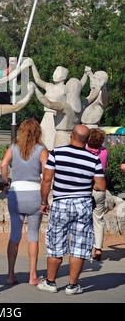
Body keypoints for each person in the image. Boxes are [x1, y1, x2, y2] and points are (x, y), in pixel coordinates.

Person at [38, 124, 106, 295]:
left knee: (55, 243)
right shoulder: (94, 160)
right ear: (88, 139)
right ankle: (72, 285)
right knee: (80, 245)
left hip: (61, 203)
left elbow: (46, 180)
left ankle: (51, 282)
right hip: (82, 204)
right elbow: (101, 186)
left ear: (70, 135)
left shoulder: (56, 154)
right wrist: (86, 183)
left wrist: (44, 201)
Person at [0, 119, 48, 286]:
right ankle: (33, 276)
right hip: (35, 194)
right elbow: (47, 172)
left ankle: (10, 274)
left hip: (16, 194)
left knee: (14, 235)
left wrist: (6, 183)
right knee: (33, 236)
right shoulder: (41, 150)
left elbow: (3, 164)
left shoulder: (13, 148)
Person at [87, 128, 108, 261]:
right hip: (99, 188)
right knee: (98, 219)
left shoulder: (84, 152)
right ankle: (98, 248)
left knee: (85, 220)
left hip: (86, 188)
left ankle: (86, 248)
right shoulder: (104, 152)